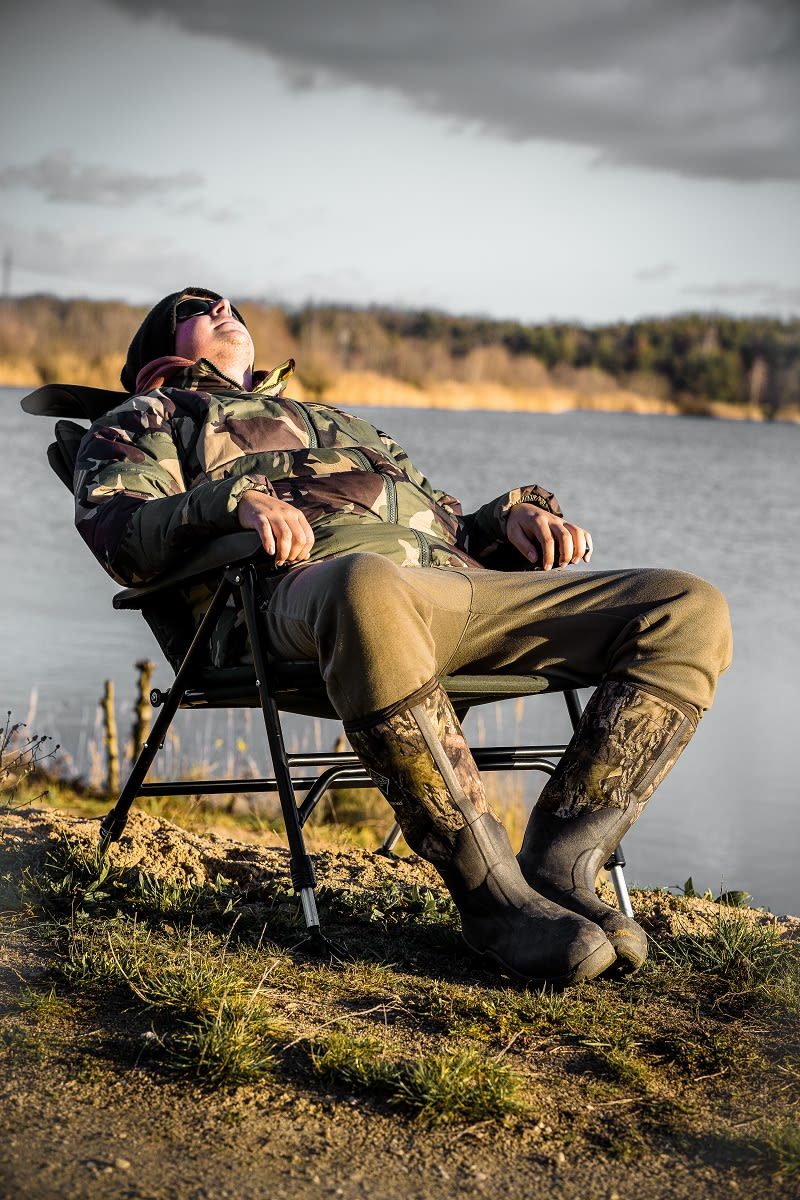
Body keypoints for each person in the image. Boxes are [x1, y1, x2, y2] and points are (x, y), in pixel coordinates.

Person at [74, 287, 732, 987]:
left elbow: (447, 525)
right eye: (196, 306)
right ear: (157, 354)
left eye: (229, 304)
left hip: (450, 591)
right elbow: (121, 533)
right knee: (366, 582)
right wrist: (232, 500)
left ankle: (561, 867)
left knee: (686, 606)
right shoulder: (147, 417)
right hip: (295, 599)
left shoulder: (338, 423)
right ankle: (492, 898)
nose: (223, 307)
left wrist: (511, 519)